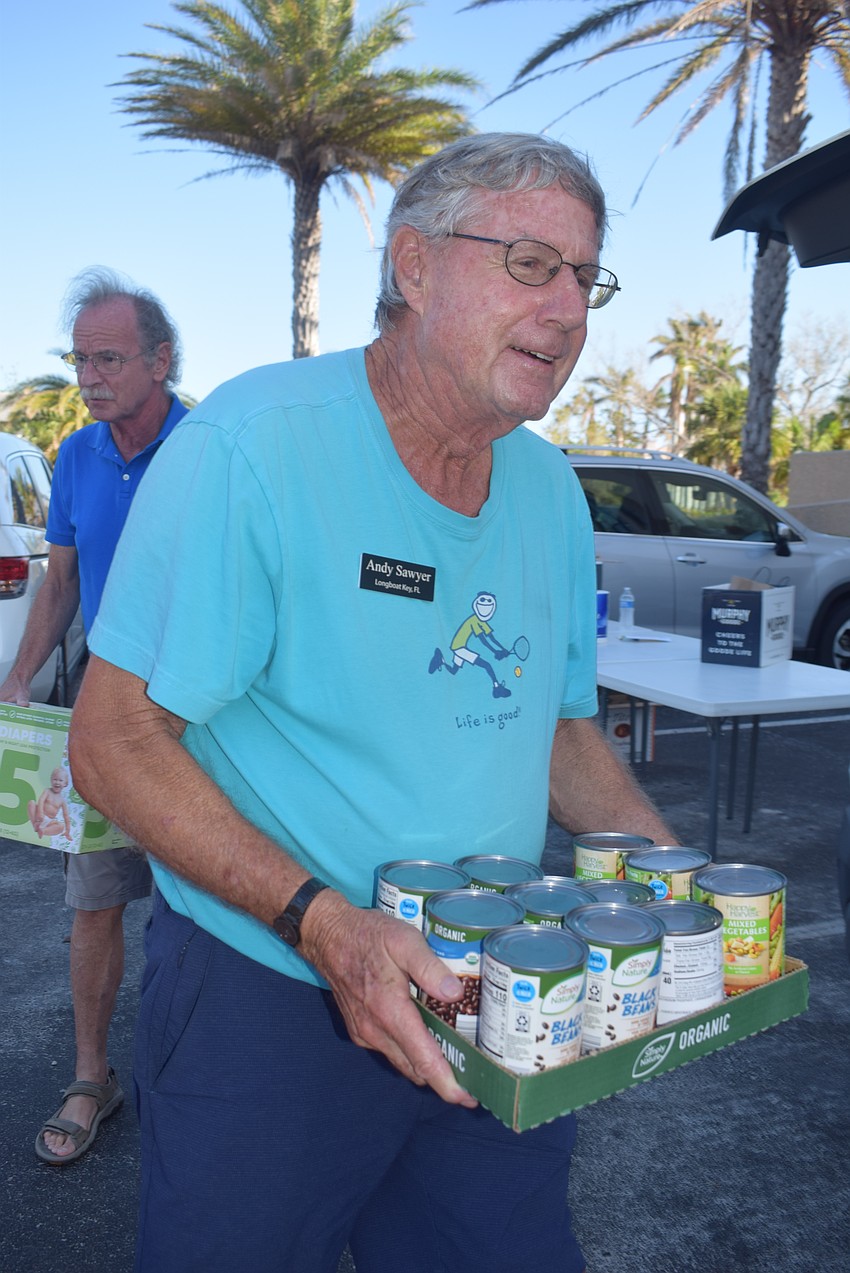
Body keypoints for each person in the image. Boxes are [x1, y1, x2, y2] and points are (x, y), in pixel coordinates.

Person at [70, 134, 677, 1272]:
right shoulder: (255, 445)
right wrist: (325, 925)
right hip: (271, 984)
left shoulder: (549, 487)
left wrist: (671, 887)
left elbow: (559, 729)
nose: (567, 310)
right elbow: (112, 741)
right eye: (531, 264)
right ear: (413, 265)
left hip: (491, 983)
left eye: (584, 278)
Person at [0, 268, 188, 1165]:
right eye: (80, 359)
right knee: (94, 901)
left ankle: (197, 1082)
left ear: (160, 360)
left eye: (108, 358)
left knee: (207, 906)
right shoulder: (75, 455)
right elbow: (61, 583)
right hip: (104, 722)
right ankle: (91, 1077)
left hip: (203, 725)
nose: (88, 377)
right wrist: (19, 679)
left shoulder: (208, 448)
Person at [28, 767, 72, 839]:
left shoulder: (62, 800)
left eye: (60, 780)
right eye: (55, 779)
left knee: (61, 826)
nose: (57, 782)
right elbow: (41, 800)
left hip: (48, 821)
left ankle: (43, 830)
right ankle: (35, 825)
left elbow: (66, 816)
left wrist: (68, 831)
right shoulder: (47, 791)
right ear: (51, 780)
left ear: (65, 784)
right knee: (31, 803)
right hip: (38, 816)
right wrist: (40, 812)